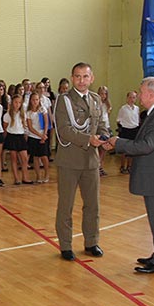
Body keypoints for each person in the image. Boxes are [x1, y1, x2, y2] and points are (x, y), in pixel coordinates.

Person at [107, 77, 154, 274]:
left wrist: (117, 143)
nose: (138, 96)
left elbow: (146, 146)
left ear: (151, 94)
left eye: (140, 92)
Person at [53, 62, 108, 261]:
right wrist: (89, 140)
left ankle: (92, 242)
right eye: (77, 76)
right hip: (69, 160)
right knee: (66, 206)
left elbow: (101, 124)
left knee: (93, 205)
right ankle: (66, 245)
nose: (81, 80)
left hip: (91, 161)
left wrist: (105, 138)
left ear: (91, 78)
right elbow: (65, 130)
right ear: (72, 78)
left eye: (85, 76)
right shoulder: (63, 101)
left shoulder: (95, 99)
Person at [3, 94, 31, 185]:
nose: (17, 104)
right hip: (12, 137)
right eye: (15, 102)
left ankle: (25, 177)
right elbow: (5, 128)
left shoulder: (23, 114)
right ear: (12, 103)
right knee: (14, 159)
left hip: (20, 136)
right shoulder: (7, 115)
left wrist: (25, 136)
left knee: (24, 158)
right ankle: (16, 178)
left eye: (19, 102)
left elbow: (25, 126)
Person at [25, 91, 50, 183]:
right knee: (35, 157)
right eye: (33, 100)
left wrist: (44, 134)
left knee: (44, 156)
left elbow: (46, 122)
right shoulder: (28, 112)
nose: (35, 101)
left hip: (43, 135)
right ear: (30, 101)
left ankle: (47, 174)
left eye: (37, 100)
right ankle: (38, 176)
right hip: (33, 136)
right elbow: (30, 127)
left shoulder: (42, 109)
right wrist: (40, 135)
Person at [116, 90, 140, 174]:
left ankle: (129, 166)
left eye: (134, 97)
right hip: (125, 130)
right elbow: (118, 120)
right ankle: (122, 166)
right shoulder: (123, 108)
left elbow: (137, 119)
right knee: (123, 150)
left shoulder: (137, 108)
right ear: (127, 98)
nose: (132, 99)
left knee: (131, 150)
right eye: (130, 97)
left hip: (134, 130)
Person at [96, 85, 112, 176]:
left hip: (106, 127)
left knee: (105, 149)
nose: (103, 96)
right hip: (100, 128)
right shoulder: (96, 104)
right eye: (101, 93)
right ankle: (97, 167)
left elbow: (107, 116)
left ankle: (101, 166)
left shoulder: (107, 104)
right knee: (99, 149)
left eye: (105, 94)